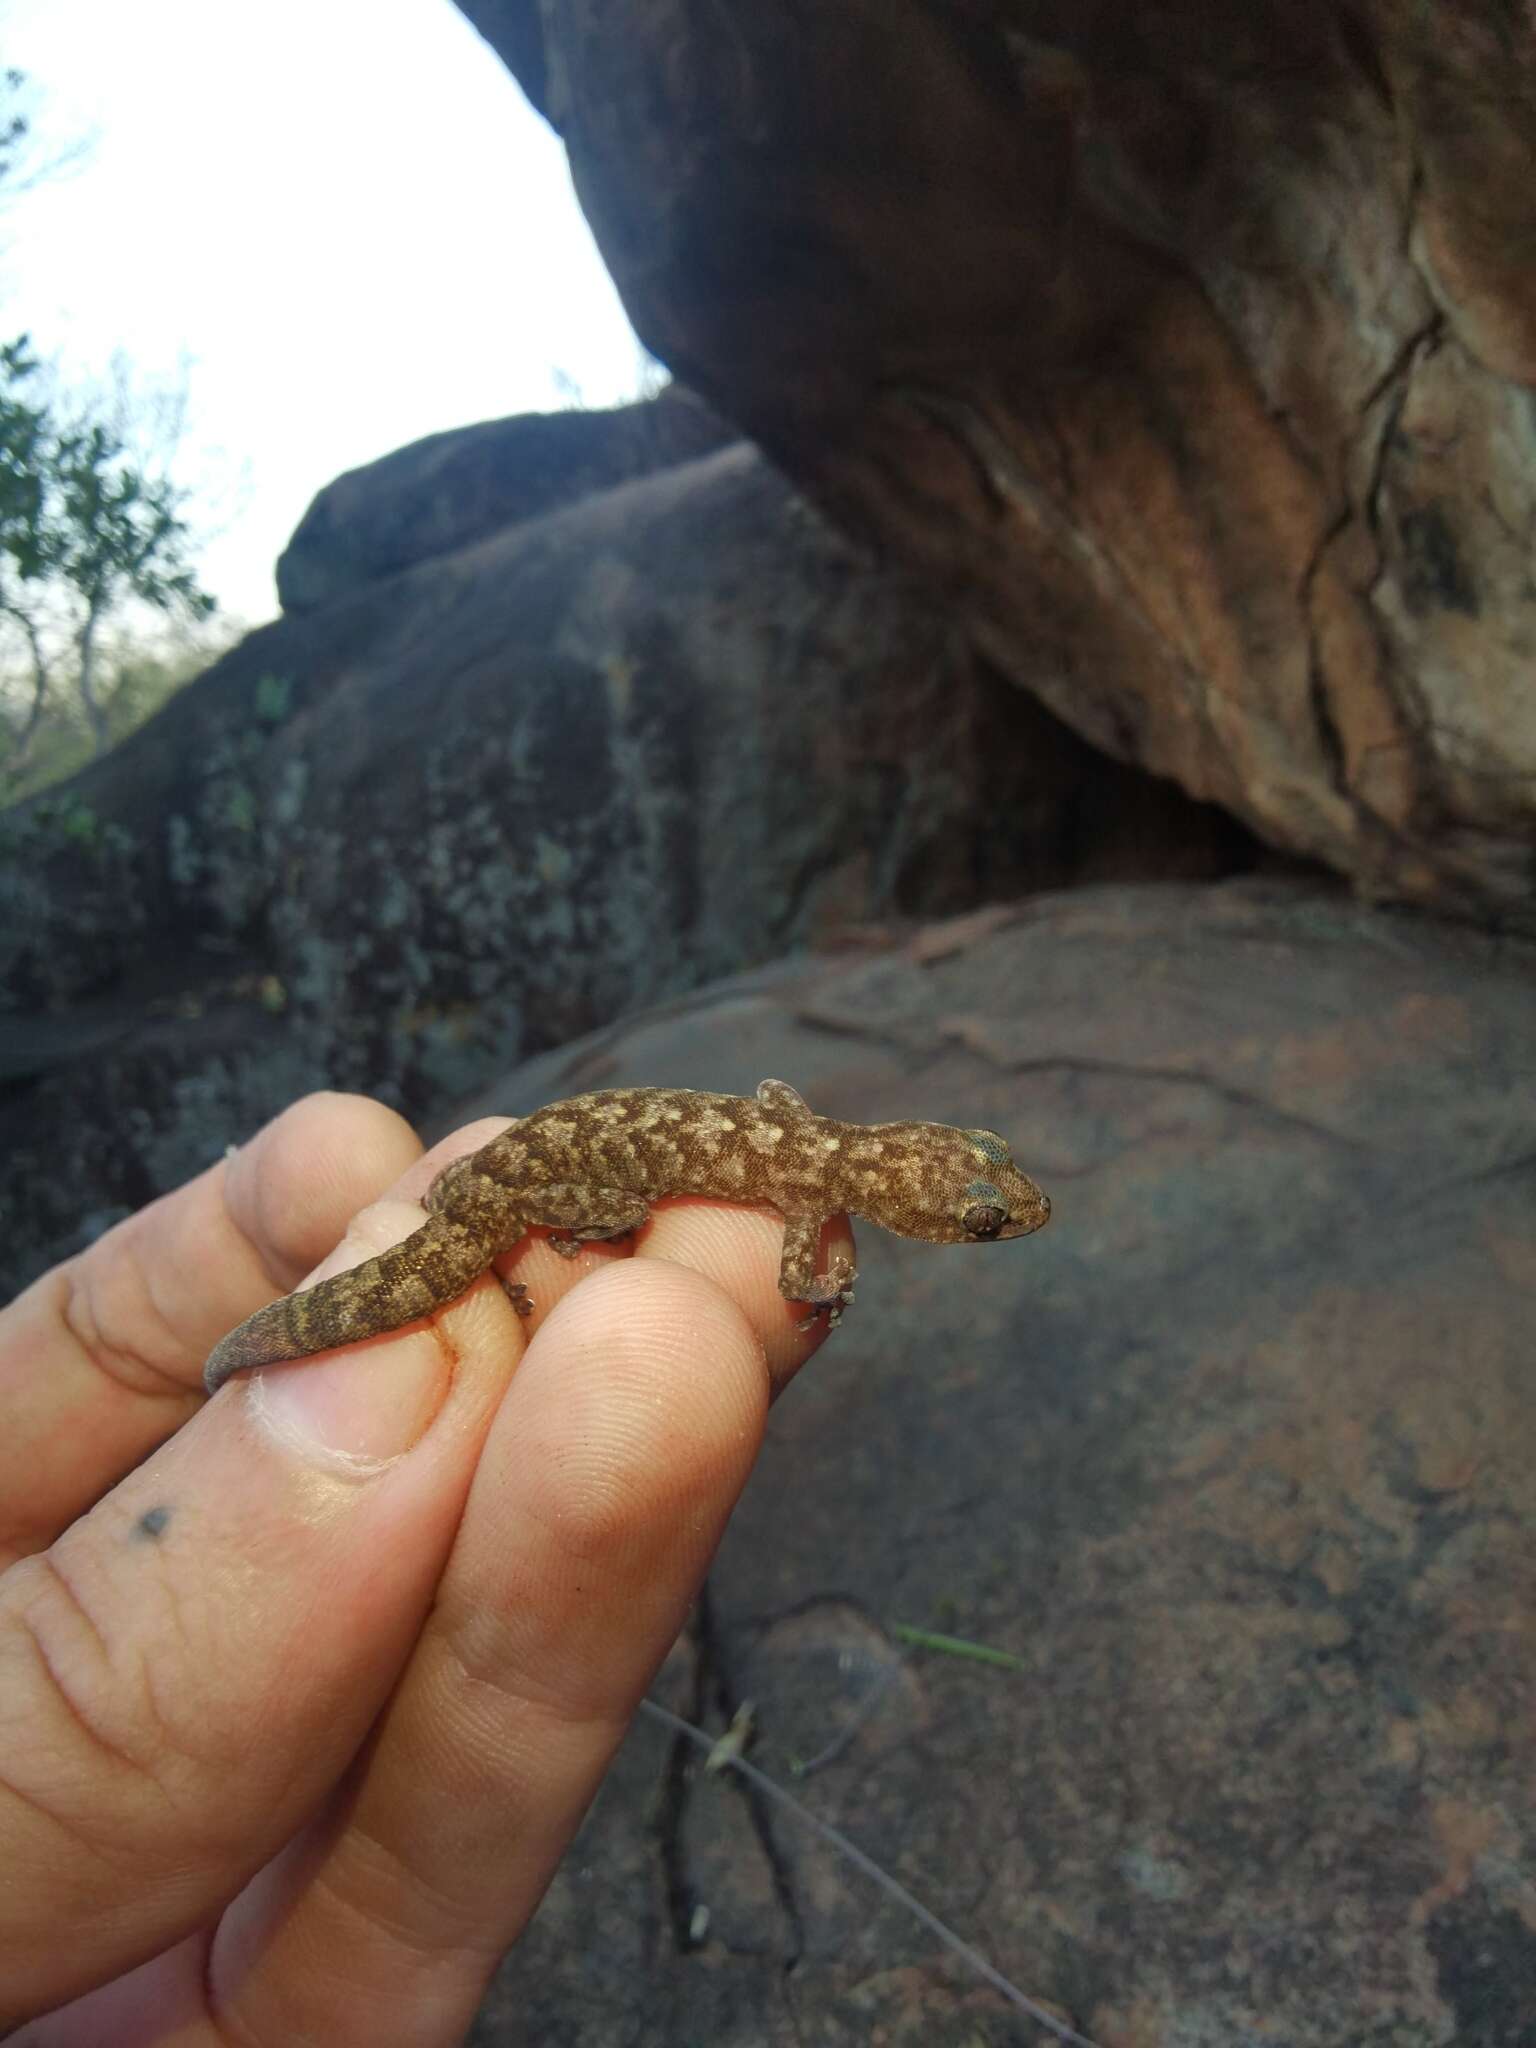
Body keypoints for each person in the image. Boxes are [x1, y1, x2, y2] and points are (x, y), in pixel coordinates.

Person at [1, 1090, 844, 2042]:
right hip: (518, 1188)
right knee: (613, 1250)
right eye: (983, 1220)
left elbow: (771, 1109)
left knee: (598, 1248)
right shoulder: (812, 1199)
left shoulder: (807, 1138)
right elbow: (796, 1276)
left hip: (499, 1174)